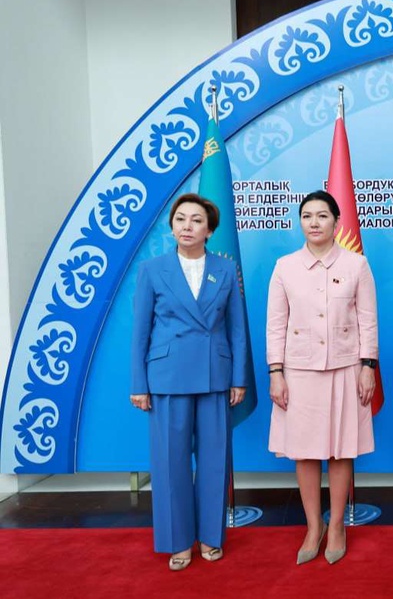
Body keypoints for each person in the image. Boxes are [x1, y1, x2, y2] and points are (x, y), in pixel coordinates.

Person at [131, 193, 247, 571]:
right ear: (172, 226)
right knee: (169, 463)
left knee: (215, 461)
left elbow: (237, 329)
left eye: (196, 220)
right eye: (180, 219)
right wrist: (139, 384)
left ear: (209, 230)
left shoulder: (225, 269)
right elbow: (140, 332)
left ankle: (211, 537)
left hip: (214, 374)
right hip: (167, 377)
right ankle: (178, 542)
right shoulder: (152, 270)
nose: (187, 226)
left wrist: (238, 378)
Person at [267, 190, 378, 565]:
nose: (314, 222)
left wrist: (368, 366)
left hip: (346, 368)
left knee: (342, 448)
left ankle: (337, 526)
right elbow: (275, 326)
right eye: (307, 216)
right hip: (298, 371)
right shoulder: (285, 267)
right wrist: (276, 372)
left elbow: (368, 321)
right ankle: (314, 526)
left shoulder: (357, 265)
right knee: (304, 450)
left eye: (322, 215)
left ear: (336, 221)